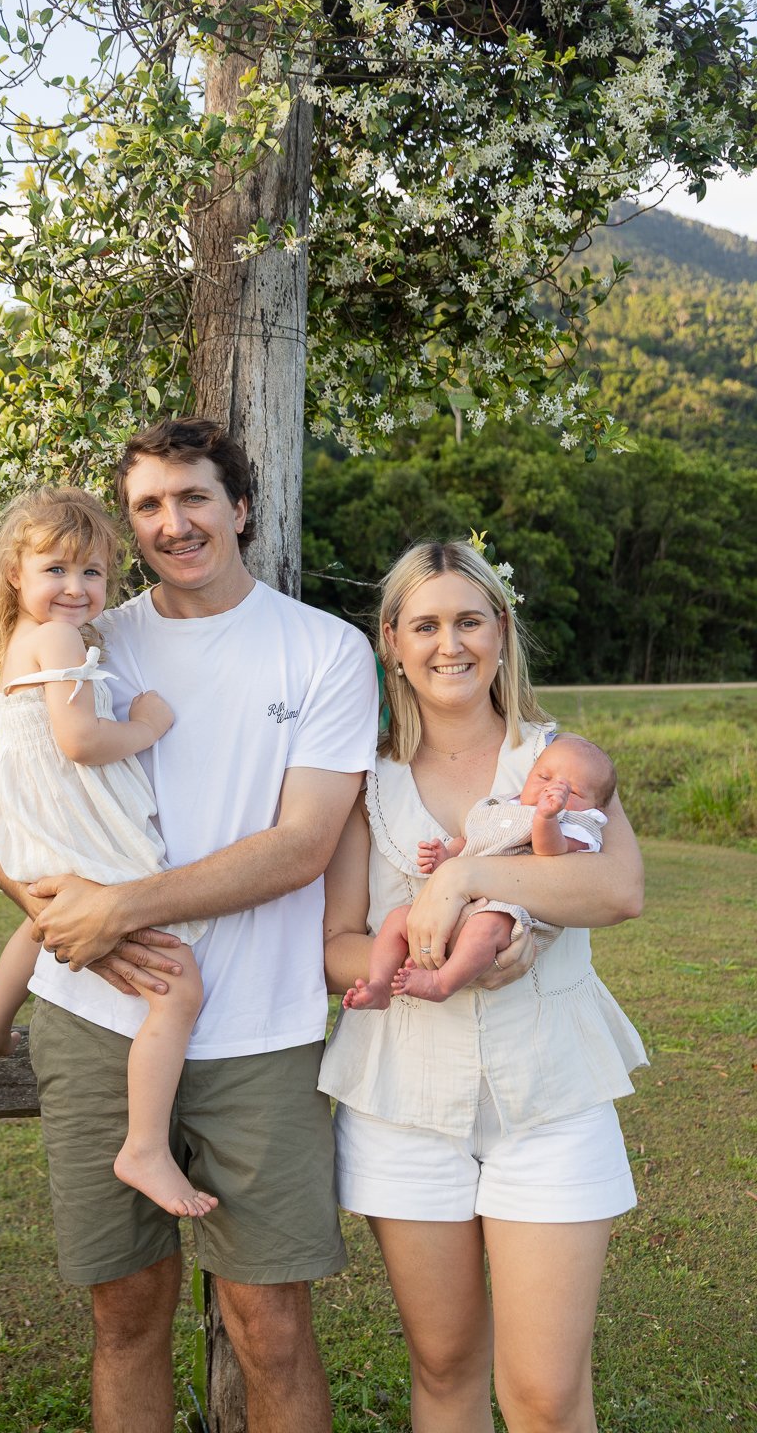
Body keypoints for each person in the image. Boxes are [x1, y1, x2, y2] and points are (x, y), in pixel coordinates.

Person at [0, 419, 380, 1433]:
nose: (173, 522)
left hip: (259, 1030)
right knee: (126, 1314)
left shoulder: (322, 649)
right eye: (148, 505)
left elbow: (302, 846)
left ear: (240, 507)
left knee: (271, 1321)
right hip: (97, 1014)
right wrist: (68, 928)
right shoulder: (87, 632)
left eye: (193, 497)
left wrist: (122, 911)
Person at [319, 538, 647, 1433]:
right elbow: (336, 946)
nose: (448, 644)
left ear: (501, 630)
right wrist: (408, 961)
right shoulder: (363, 778)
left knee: (543, 1395)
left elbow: (618, 889)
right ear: (390, 640)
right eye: (424, 624)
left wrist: (467, 880)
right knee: (445, 1366)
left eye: (469, 620)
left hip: (549, 1096)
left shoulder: (558, 763)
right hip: (403, 1100)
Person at [0, 485, 216, 1218]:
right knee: (180, 985)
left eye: (93, 573)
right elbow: (81, 743)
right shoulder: (62, 640)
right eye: (56, 571)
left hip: (39, 823)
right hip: (78, 824)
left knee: (41, 918)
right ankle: (144, 1146)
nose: (75, 588)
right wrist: (148, 725)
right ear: (17, 573)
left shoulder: (20, 641)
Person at [345, 732, 617, 1008]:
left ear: (597, 808)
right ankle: (379, 984)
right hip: (451, 913)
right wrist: (445, 856)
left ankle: (442, 983)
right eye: (544, 778)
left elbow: (551, 850)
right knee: (398, 919)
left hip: (506, 915)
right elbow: (473, 841)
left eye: (572, 791)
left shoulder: (577, 824)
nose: (553, 792)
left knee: (486, 926)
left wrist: (547, 817)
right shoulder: (502, 806)